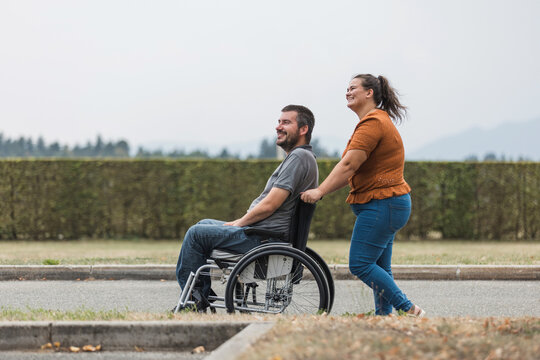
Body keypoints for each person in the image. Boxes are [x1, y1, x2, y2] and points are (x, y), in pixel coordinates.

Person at [301, 74, 425, 317]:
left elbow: (348, 165)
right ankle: (384, 317)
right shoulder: (376, 121)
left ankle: (409, 309)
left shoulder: (373, 123)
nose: (347, 92)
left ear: (369, 93)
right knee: (379, 266)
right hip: (389, 204)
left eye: (353, 88)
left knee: (360, 263)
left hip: (383, 204)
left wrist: (319, 191)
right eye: (346, 89)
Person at [175, 104, 318, 311]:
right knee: (204, 224)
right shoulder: (305, 158)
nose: (278, 127)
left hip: (263, 238)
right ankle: (201, 296)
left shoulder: (298, 157)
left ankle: (196, 301)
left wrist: (240, 223)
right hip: (265, 235)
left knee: (196, 234)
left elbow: (271, 204)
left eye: (286, 122)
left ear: (303, 129)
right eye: (278, 122)